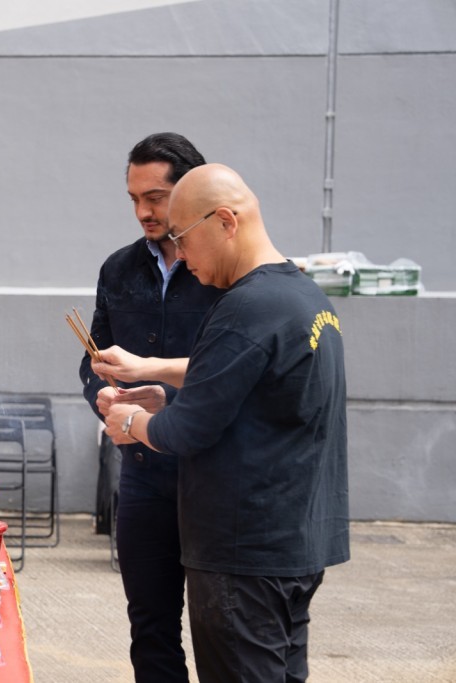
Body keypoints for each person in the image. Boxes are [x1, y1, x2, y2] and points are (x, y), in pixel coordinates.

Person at [93, 163, 349, 682]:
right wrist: (163, 400)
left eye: (184, 239)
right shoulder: (303, 296)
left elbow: (188, 432)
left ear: (226, 221)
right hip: (294, 543)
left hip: (242, 552)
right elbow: (258, 399)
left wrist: (131, 421)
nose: (181, 257)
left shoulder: (244, 308)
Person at [79, 132, 220, 682]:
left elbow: (235, 372)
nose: (143, 211)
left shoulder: (225, 272)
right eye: (134, 198)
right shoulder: (118, 269)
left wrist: (168, 401)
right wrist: (106, 398)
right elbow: (93, 357)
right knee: (150, 628)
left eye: (156, 197)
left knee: (222, 630)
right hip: (140, 475)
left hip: (209, 473)